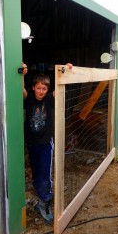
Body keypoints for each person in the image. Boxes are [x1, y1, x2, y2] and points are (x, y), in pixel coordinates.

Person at [22, 62, 72, 223]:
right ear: (33, 88)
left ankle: (45, 203)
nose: (41, 92)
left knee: (45, 173)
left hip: (45, 144)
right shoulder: (29, 98)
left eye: (44, 88)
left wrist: (65, 71)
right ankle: (40, 198)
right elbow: (21, 90)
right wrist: (22, 75)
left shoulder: (50, 99)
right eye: (38, 88)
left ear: (47, 90)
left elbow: (60, 86)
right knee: (36, 172)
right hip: (31, 143)